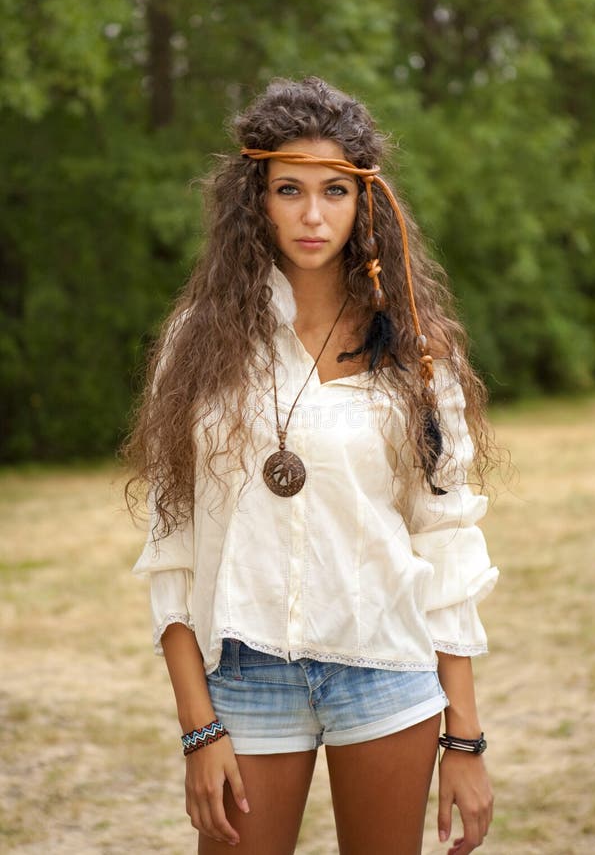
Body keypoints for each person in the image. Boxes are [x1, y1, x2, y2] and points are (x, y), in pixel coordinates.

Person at [125, 76, 499, 855]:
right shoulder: (198, 344)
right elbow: (172, 546)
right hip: (245, 676)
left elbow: (446, 539)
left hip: (385, 667)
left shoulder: (416, 352)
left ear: (365, 201)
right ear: (253, 199)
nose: (312, 214)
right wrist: (199, 730)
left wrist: (463, 739)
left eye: (334, 190)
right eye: (288, 189)